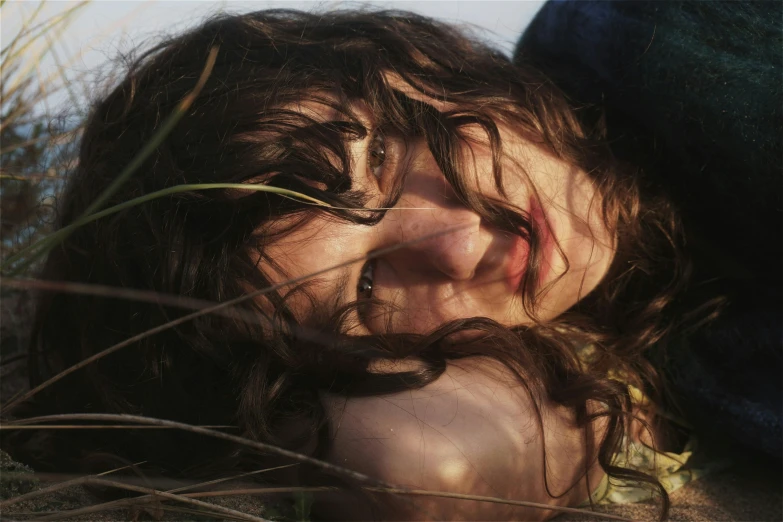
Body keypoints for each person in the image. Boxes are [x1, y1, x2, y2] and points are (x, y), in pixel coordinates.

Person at [4, 4, 778, 520]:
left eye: (383, 151)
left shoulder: (673, 42)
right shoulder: (648, 335)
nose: (455, 241)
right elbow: (422, 460)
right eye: (368, 287)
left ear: (422, 60)